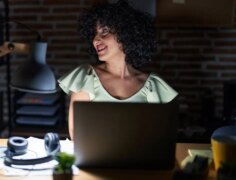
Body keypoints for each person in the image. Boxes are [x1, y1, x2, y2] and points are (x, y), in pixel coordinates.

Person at [58, 1, 178, 140]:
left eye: (104, 31)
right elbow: (77, 134)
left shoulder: (153, 86)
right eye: (94, 34)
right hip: (95, 160)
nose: (96, 40)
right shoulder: (86, 76)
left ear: (125, 34)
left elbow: (161, 136)